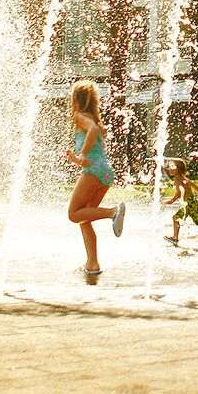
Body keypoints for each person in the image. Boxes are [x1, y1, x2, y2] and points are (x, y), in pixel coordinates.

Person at [64, 80, 125, 276]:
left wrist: (80, 156)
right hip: (106, 172)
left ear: (75, 100)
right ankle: (92, 263)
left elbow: (93, 131)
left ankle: (112, 212)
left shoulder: (80, 116)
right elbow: (96, 130)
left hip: (93, 171)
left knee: (73, 214)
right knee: (85, 217)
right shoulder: (94, 117)